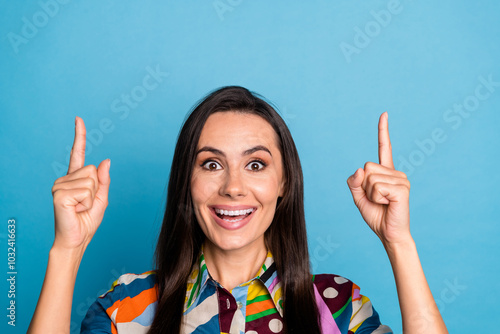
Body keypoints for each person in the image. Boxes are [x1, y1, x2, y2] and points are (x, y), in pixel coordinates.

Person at [28, 86, 447, 333]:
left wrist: (399, 242)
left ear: (284, 183)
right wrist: (67, 250)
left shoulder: (337, 306)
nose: (232, 186)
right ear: (186, 182)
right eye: (211, 164)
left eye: (256, 164)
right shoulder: (128, 308)